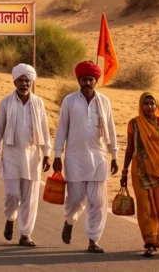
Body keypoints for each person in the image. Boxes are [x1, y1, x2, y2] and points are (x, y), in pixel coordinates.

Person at [53, 61, 119, 254]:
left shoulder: (104, 102)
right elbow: (61, 129)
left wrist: (114, 154)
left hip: (98, 157)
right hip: (74, 157)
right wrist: (57, 154)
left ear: (95, 81)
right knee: (74, 199)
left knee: (97, 202)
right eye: (84, 79)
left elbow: (112, 129)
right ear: (79, 80)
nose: (87, 82)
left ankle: (93, 240)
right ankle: (69, 221)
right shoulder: (69, 101)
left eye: (91, 79)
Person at [0, 64, 51, 247]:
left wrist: (47, 153)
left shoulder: (38, 102)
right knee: (12, 194)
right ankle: (10, 217)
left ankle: (25, 234)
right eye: (21, 80)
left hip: (33, 155)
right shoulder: (6, 102)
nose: (24, 84)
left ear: (31, 82)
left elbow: (45, 130)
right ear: (15, 81)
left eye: (27, 81)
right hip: (11, 154)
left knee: (30, 198)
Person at [121, 92, 159, 257]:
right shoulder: (134, 124)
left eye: (152, 103)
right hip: (140, 171)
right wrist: (124, 171)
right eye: (146, 103)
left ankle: (158, 236)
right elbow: (130, 148)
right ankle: (149, 241)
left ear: (157, 105)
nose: (149, 107)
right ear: (141, 105)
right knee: (145, 206)